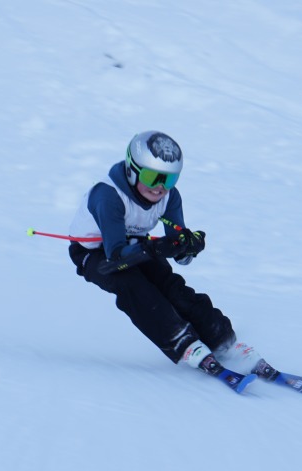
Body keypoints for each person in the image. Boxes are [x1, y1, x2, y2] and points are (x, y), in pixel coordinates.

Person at [68, 130, 280, 392]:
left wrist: (187, 246)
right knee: (134, 286)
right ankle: (181, 341)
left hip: (136, 246)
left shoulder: (170, 197)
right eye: (152, 177)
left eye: (169, 178)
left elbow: (179, 252)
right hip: (96, 254)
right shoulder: (108, 196)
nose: (160, 186)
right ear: (132, 170)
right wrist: (157, 247)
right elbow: (116, 258)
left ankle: (224, 341)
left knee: (170, 285)